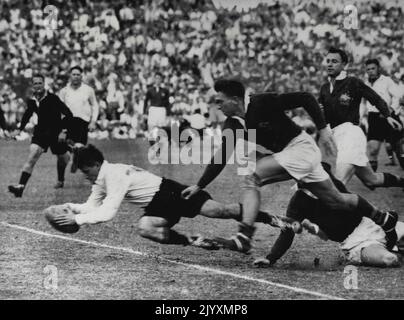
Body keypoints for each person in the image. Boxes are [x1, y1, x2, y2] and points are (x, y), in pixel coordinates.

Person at [182, 79, 399, 253]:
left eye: (220, 101)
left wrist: (323, 129)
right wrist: (200, 185)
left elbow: (305, 98)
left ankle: (244, 237)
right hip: (294, 155)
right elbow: (221, 157)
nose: (217, 105)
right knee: (337, 200)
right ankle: (384, 218)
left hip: (301, 148)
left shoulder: (261, 103)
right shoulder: (231, 124)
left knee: (251, 178)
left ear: (236, 99)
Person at [50, 144, 299, 247]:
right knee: (146, 227)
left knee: (220, 211)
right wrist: (70, 207)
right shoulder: (101, 178)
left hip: (169, 191)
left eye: (85, 171)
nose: (85, 176)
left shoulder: (112, 175)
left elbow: (107, 212)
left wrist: (78, 221)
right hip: (156, 204)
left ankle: (275, 220)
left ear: (94, 164)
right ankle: (193, 240)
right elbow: (91, 205)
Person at [253, 163, 403, 268]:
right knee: (389, 259)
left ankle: (392, 234)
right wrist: (270, 258)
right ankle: (394, 244)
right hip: (356, 242)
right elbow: (287, 232)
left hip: (370, 223)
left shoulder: (326, 176)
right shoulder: (298, 202)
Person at [319, 48, 404, 189]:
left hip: (351, 134)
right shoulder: (324, 88)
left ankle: (372, 212)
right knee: (371, 180)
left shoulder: (353, 83)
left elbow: (376, 99)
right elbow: (321, 113)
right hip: (337, 137)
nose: (329, 64)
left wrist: (388, 116)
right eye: (328, 61)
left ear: (344, 64)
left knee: (338, 184)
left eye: (334, 61)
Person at [8, 74, 73, 197]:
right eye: (35, 83)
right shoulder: (32, 100)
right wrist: (19, 129)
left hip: (56, 133)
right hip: (41, 133)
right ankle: (20, 187)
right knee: (32, 155)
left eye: (39, 83)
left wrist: (63, 131)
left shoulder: (53, 98)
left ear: (44, 84)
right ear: (32, 85)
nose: (37, 85)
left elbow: (69, 114)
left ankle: (62, 173)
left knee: (64, 158)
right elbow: (27, 115)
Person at [58, 66, 99, 183]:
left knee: (80, 148)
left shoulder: (88, 90)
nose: (75, 77)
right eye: (73, 74)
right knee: (62, 153)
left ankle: (89, 172)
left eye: (78, 74)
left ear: (82, 76)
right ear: (70, 76)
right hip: (69, 122)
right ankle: (60, 180)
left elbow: (95, 105)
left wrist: (93, 121)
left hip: (82, 122)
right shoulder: (64, 91)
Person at [363, 58, 404, 171]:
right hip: (374, 118)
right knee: (372, 149)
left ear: (378, 69)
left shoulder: (387, 80)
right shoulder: (365, 84)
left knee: (398, 148)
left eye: (373, 68)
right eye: (368, 69)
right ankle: (374, 179)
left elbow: (397, 97)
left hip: (389, 116)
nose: (370, 71)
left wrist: (391, 109)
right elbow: (363, 102)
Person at [143, 72, 170, 147]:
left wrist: (168, 114)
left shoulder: (165, 91)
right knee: (151, 129)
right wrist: (144, 113)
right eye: (156, 78)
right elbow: (146, 101)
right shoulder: (150, 90)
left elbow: (168, 103)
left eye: (159, 78)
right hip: (153, 110)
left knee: (160, 130)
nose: (157, 80)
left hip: (161, 110)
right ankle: (152, 147)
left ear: (161, 80)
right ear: (154, 79)